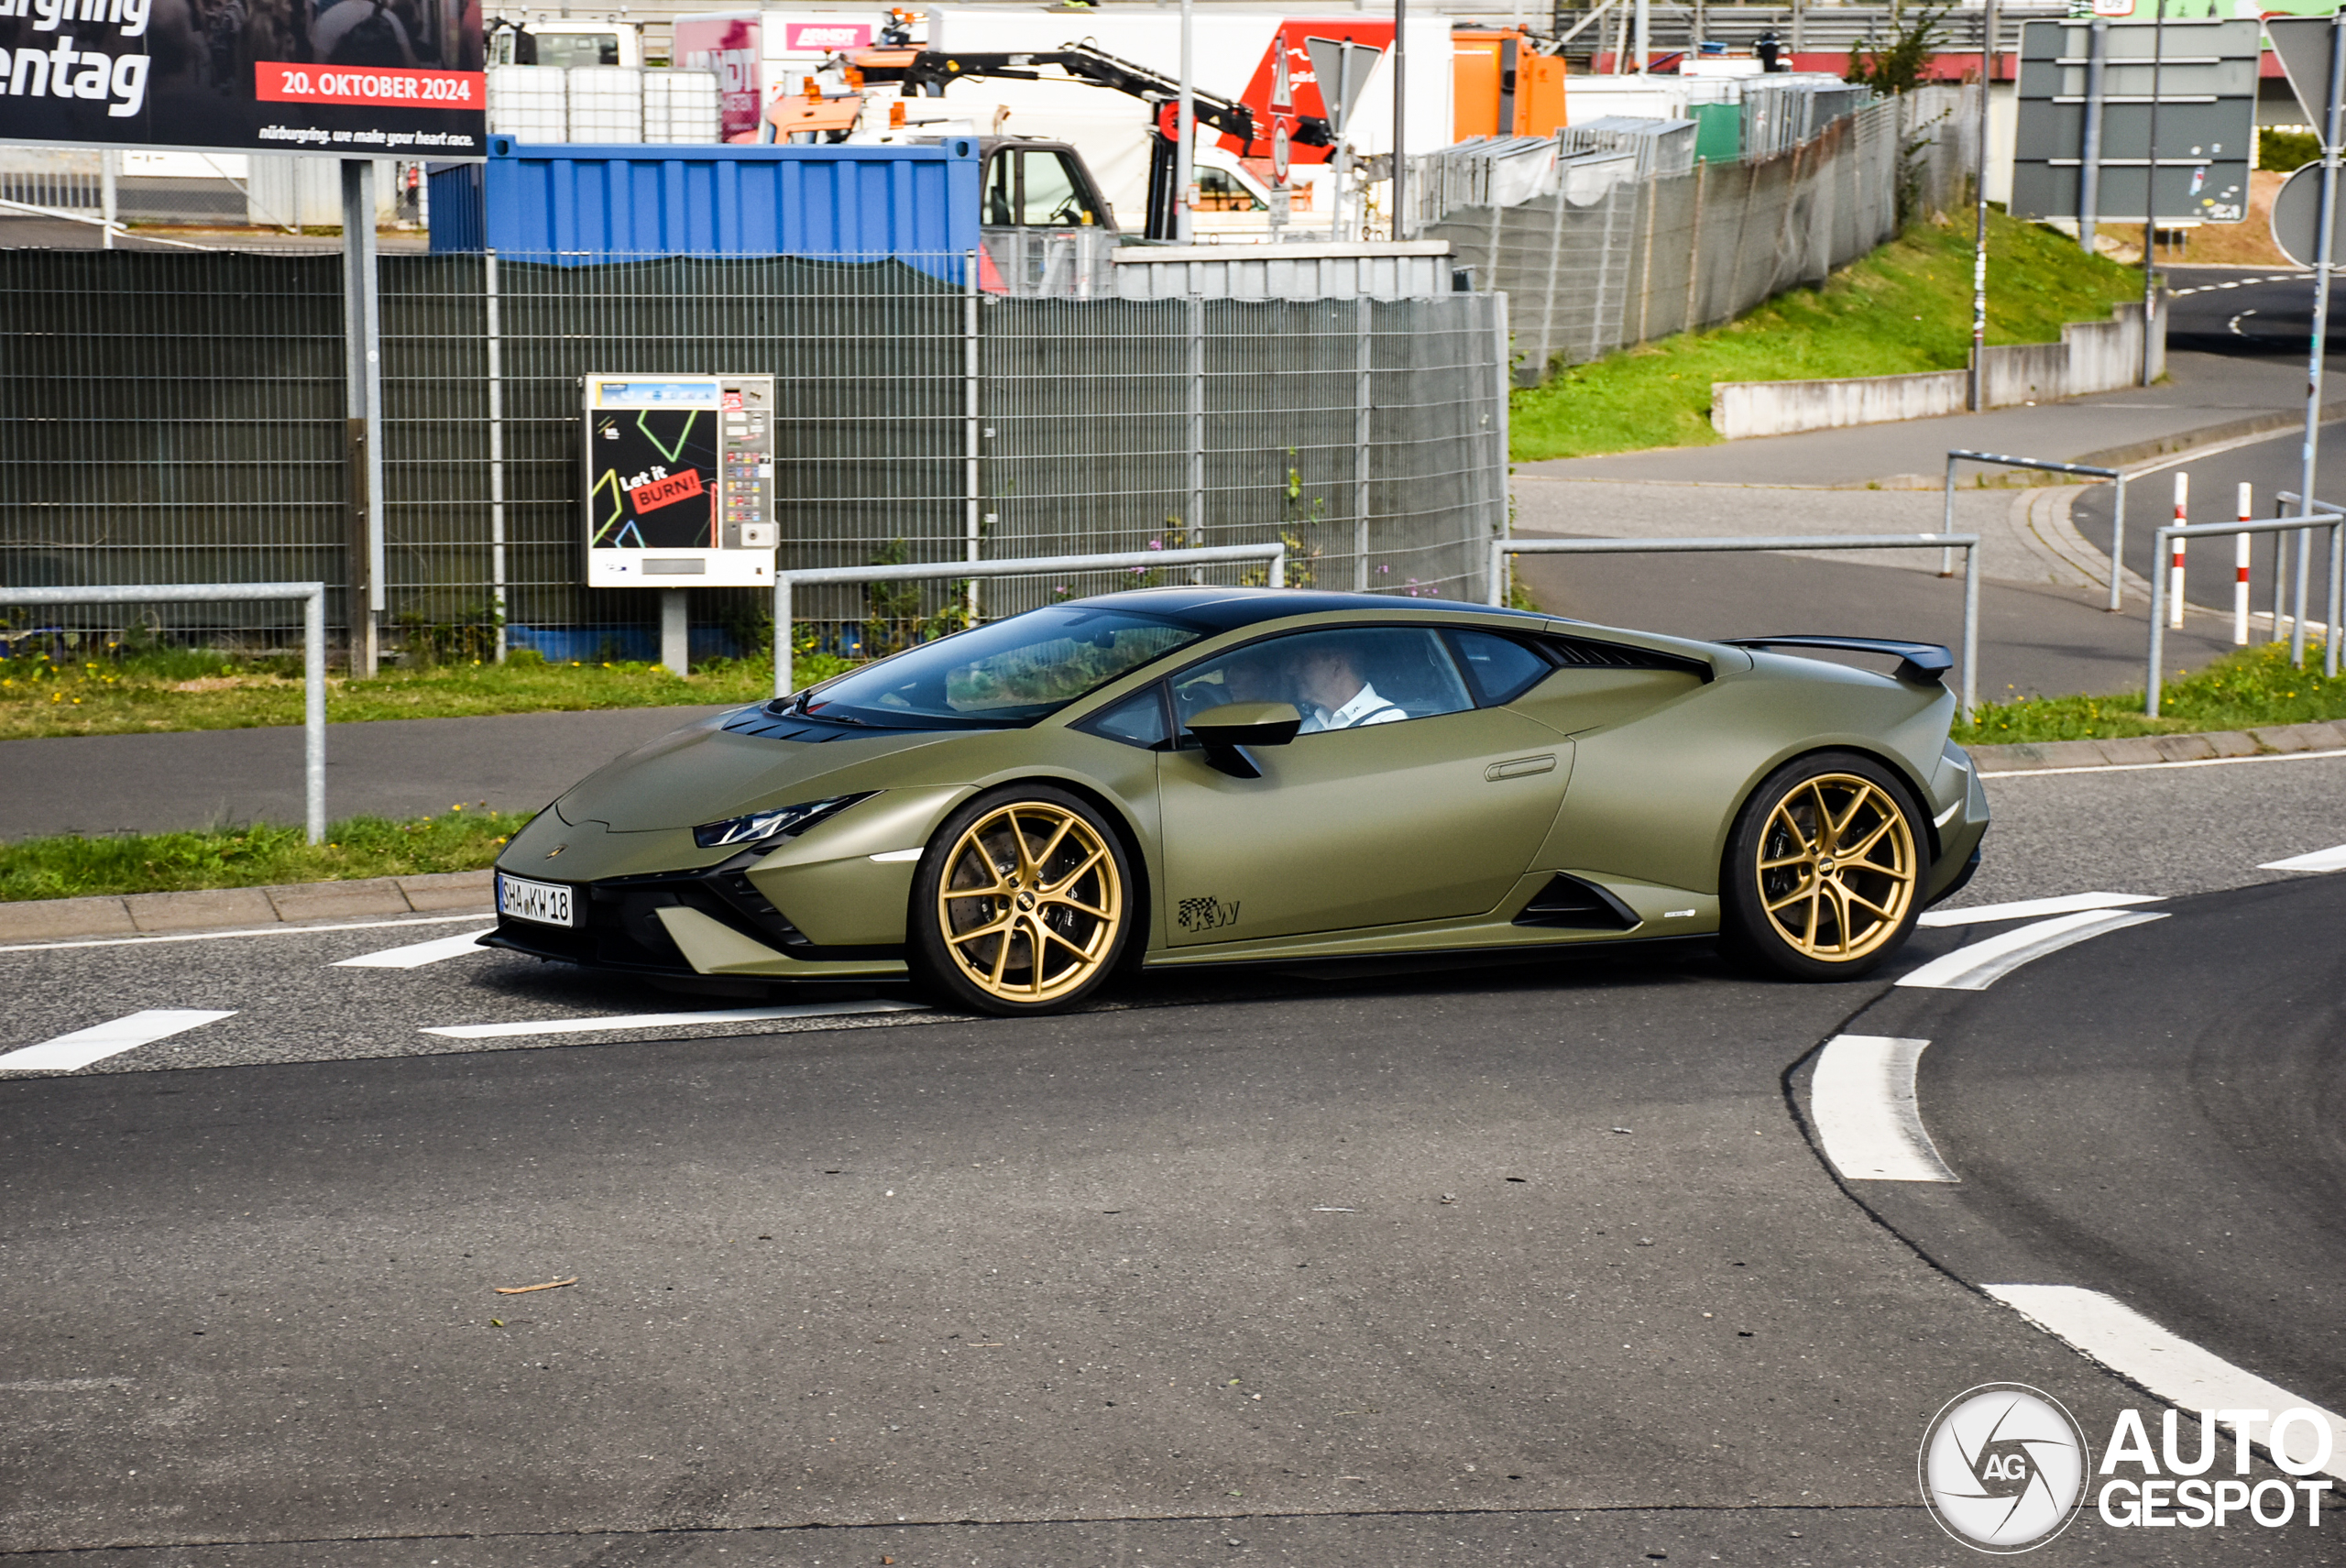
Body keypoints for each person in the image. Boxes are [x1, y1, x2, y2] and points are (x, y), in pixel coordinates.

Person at [1291, 639, 1404, 732]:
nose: (1292, 670)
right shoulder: (1310, 726)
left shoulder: (1388, 722)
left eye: (1304, 661)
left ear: (1336, 666)